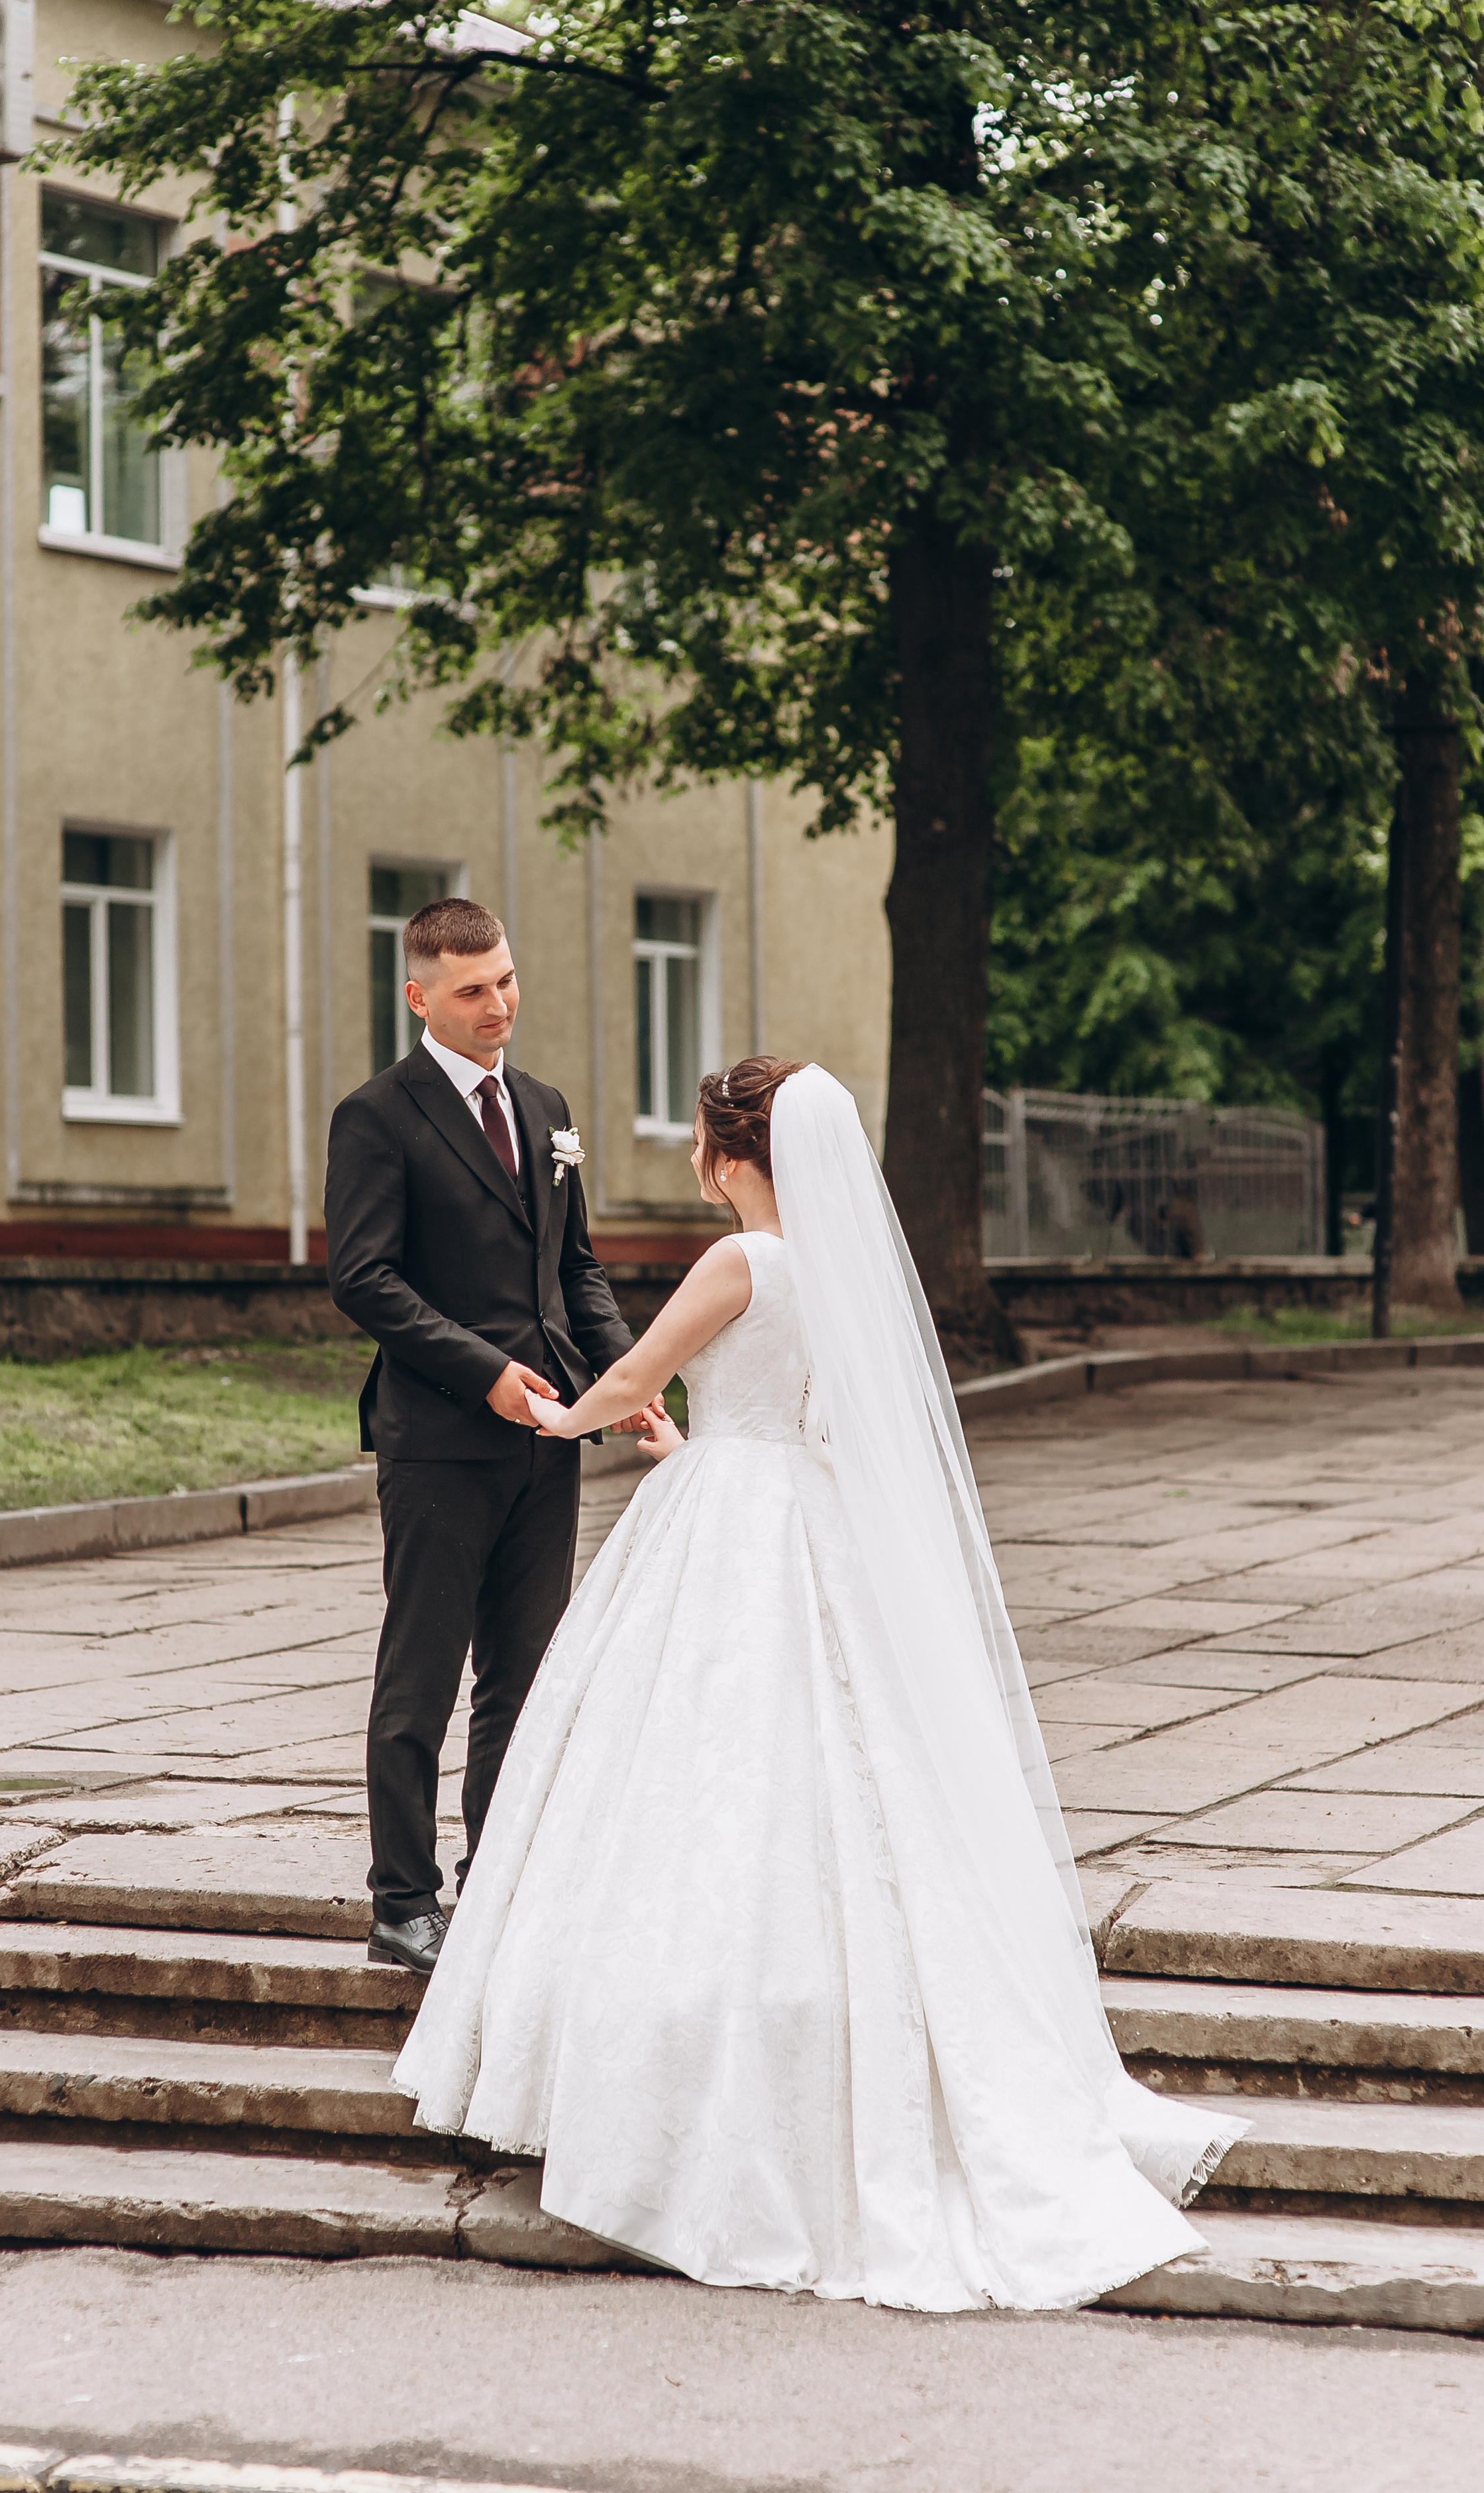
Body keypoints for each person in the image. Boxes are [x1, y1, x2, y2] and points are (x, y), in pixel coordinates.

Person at [392, 1055, 1247, 2311]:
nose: (693, 1155)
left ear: (729, 1154)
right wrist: (683, 1435)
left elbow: (630, 1376)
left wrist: (554, 1416)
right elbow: (775, 1410)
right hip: (788, 1499)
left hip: (727, 1526)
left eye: (699, 1138)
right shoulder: (833, 1275)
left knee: (694, 1770)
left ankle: (672, 2093)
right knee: (822, 1766)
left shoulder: (742, 1262)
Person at [324, 898, 654, 1976]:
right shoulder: (378, 1116)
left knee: (524, 1676)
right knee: (420, 1675)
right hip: (439, 1438)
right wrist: (485, 1375)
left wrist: (626, 1375)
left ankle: (501, 1884)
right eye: (472, 990)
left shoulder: (547, 1105)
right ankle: (401, 1903)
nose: (498, 1005)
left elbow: (576, 1270)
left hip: (547, 1437)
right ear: (419, 996)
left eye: (506, 980)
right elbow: (364, 1278)